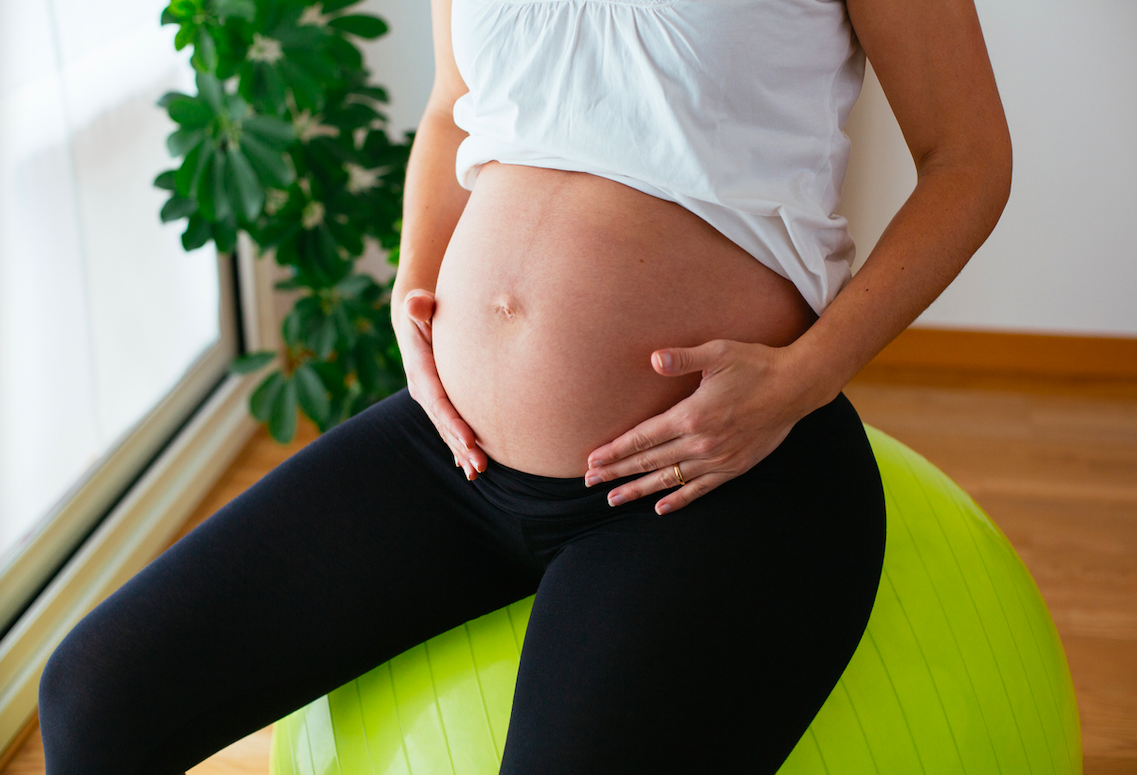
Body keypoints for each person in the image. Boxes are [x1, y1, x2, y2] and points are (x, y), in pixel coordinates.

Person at [37, 0, 1011, 771]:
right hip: (449, 449)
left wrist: (806, 375)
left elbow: (967, 159)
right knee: (93, 694)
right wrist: (416, 289)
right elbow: (451, 103)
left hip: (709, 476)